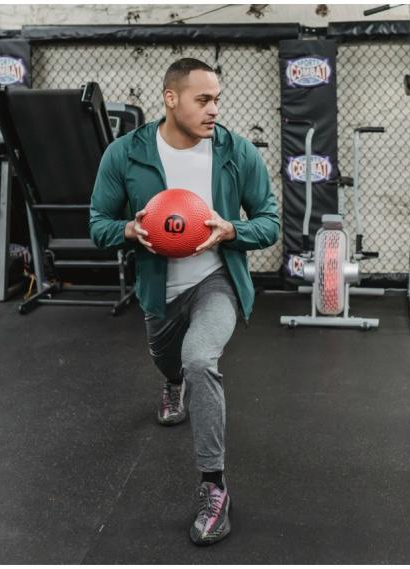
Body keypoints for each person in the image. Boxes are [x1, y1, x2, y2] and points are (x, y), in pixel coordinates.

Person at [90, 57, 279, 544]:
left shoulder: (236, 152)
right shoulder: (124, 154)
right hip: (159, 291)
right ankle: (170, 382)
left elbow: (271, 222)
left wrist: (231, 230)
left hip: (216, 283)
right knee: (169, 359)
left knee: (201, 361)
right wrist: (128, 230)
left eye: (217, 99)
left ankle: (214, 488)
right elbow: (97, 225)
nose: (214, 109)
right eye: (203, 100)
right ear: (171, 99)